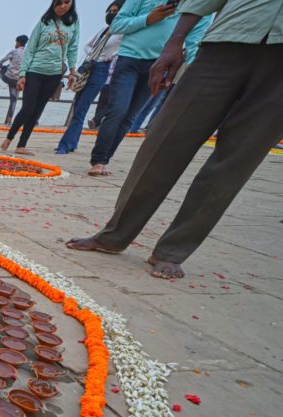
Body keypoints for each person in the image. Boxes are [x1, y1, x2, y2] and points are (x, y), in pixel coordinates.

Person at [68, 0, 283, 279]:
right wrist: (175, 41)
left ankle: (173, 250)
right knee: (165, 141)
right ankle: (115, 233)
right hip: (227, 41)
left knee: (237, 159)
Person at [87, 1, 206, 176]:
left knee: (130, 117)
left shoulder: (199, 5)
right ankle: (97, 159)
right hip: (129, 59)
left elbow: (193, 42)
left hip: (160, 66)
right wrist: (148, 19)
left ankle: (104, 159)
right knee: (118, 110)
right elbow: (117, 25)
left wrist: (192, 75)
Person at [1, 0, 79, 156]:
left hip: (55, 73)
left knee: (37, 110)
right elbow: (30, 50)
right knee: (28, 107)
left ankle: (22, 145)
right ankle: (9, 137)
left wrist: (72, 71)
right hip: (35, 71)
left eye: (67, 2)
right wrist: (23, 74)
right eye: (59, 3)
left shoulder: (73, 23)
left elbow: (73, 48)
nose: (63, 6)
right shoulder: (44, 22)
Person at [55, 2, 122, 153]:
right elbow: (88, 45)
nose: (112, 14)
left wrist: (107, 56)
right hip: (89, 66)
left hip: (101, 70)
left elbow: (121, 51)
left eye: (115, 11)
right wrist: (95, 55)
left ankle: (64, 145)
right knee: (77, 106)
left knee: (81, 109)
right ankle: (71, 142)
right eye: (110, 11)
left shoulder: (122, 35)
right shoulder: (104, 30)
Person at [128, 14, 210, 132]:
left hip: (176, 65)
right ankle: (135, 128)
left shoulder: (203, 17)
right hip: (159, 59)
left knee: (157, 100)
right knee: (150, 98)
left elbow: (194, 43)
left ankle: (145, 128)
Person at [0, 34, 27, 125]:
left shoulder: (14, 51)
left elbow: (0, 62)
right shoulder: (28, 53)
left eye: (16, 42)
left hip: (9, 77)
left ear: (18, 43)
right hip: (19, 80)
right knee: (14, 100)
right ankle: (8, 121)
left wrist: (2, 67)